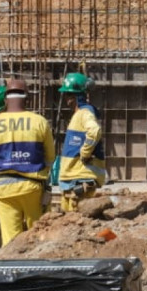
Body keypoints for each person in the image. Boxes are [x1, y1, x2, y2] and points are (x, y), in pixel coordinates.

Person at [0, 78, 55, 245]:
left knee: (10, 240)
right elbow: (50, 157)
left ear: (6, 99)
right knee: (37, 235)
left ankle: (13, 265)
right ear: (26, 98)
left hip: (4, 187)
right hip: (32, 187)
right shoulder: (39, 121)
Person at [57, 72, 107, 211]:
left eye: (68, 94)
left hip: (80, 179)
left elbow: (94, 131)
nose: (66, 99)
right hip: (73, 179)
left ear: (75, 96)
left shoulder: (85, 113)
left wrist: (85, 153)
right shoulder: (79, 114)